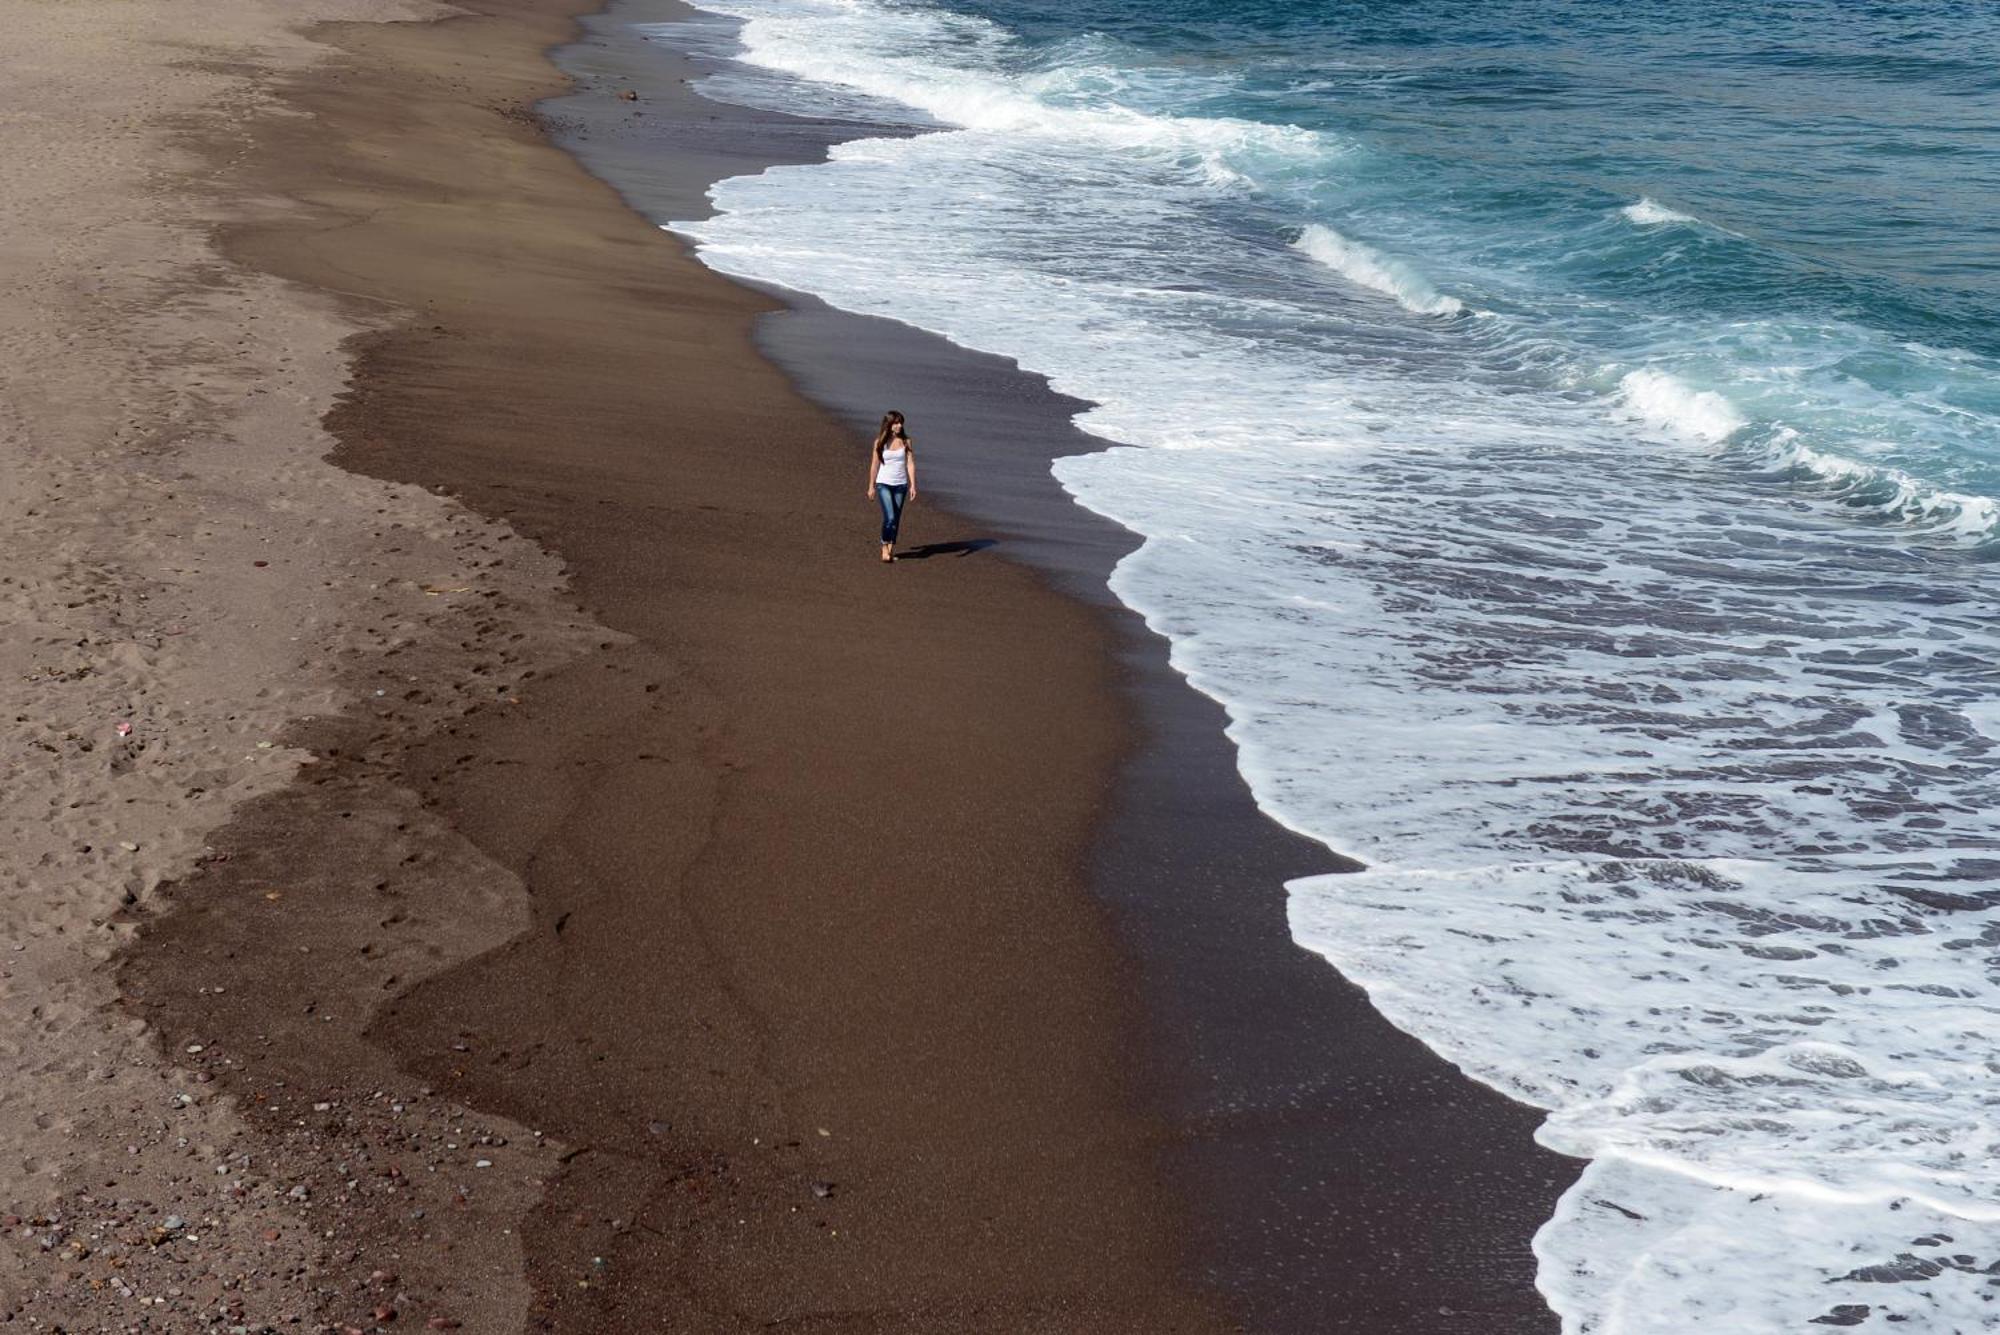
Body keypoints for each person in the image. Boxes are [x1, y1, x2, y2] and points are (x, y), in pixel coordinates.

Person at [865, 410, 917, 562]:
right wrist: (871, 486)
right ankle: (884, 545)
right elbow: (874, 465)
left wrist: (913, 485)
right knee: (890, 517)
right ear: (889, 424)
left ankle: (890, 548)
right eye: (896, 423)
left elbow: (910, 463)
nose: (899, 425)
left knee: (896, 519)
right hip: (883, 484)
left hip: (901, 485)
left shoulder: (907, 441)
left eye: (901, 423)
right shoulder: (879, 442)